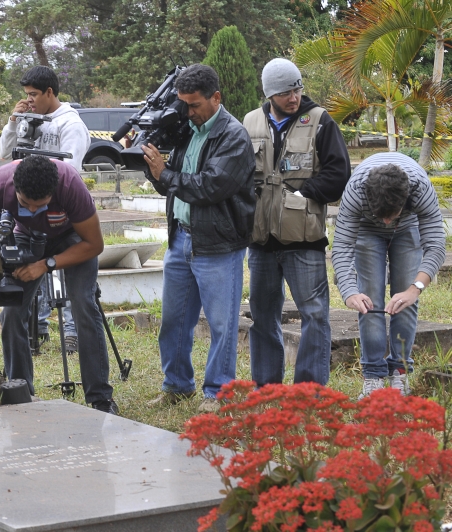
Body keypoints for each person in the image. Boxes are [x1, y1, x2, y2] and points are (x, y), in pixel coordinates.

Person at [0, 155, 118, 414]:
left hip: (73, 238)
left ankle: (100, 398)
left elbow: (94, 245)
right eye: (25, 204)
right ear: (15, 190)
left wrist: (45, 265)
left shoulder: (70, 185)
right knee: (12, 309)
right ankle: (20, 392)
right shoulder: (0, 182)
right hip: (25, 236)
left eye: (40, 205)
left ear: (53, 193)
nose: (32, 210)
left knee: (83, 305)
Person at [141, 64, 255, 413]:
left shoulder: (233, 136)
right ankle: (176, 386)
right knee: (174, 321)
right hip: (181, 240)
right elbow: (168, 182)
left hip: (218, 245)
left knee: (222, 325)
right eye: (183, 104)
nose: (187, 111)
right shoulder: (187, 129)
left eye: (193, 105)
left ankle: (218, 394)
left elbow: (209, 186)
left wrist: (166, 172)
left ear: (216, 98)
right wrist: (152, 160)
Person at [243, 58, 351, 387]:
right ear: (269, 94)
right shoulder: (249, 122)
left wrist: (305, 193)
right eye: (285, 92)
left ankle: (309, 392)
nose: (293, 97)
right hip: (260, 242)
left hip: (304, 240)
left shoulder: (319, 121)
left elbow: (339, 172)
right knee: (262, 317)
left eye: (297, 89)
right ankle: (267, 389)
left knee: (315, 316)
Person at [331, 153, 445, 398]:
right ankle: (373, 375)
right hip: (366, 231)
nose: (385, 221)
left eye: (389, 214)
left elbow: (435, 244)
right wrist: (349, 292)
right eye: (380, 214)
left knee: (405, 299)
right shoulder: (356, 192)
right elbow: (341, 247)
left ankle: (400, 373)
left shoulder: (420, 189)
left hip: (407, 228)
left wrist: (415, 288)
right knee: (369, 298)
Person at [0, 66, 89, 353]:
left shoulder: (70, 125)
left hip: (61, 213)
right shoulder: (28, 117)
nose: (30, 101)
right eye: (25, 95)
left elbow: (70, 172)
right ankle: (36, 328)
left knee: (63, 271)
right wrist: (15, 120)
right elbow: (5, 152)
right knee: (28, 268)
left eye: (34, 95)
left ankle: (71, 332)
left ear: (50, 92)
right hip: (29, 214)